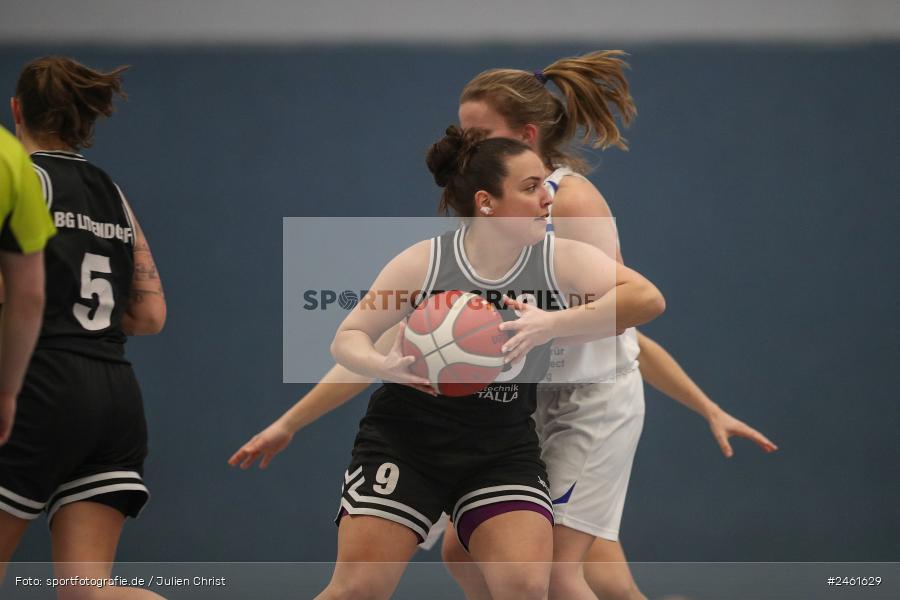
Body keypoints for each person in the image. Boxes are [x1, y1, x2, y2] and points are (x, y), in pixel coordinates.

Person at [231, 50, 776, 600]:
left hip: (584, 402)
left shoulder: (560, 206)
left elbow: (624, 318)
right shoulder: (454, 245)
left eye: (480, 133)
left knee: (557, 577)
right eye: (462, 132)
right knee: (483, 556)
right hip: (516, 405)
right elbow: (389, 342)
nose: (466, 144)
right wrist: (292, 421)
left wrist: (552, 326)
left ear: (526, 134)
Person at [310, 125, 665, 600]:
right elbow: (347, 338)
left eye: (546, 184)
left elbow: (647, 298)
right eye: (531, 187)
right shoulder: (426, 262)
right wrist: (384, 366)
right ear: (486, 203)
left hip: (501, 447)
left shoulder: (556, 258)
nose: (547, 198)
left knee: (525, 586)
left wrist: (552, 324)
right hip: (407, 442)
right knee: (358, 590)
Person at [0, 56, 167, 599]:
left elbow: (16, 293)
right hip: (113, 395)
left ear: (16, 110)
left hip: (38, 383)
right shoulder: (111, 192)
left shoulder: (19, 179)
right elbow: (150, 315)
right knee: (89, 593)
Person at [0, 125, 56, 447]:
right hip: (108, 386)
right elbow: (28, 295)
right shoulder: (10, 156)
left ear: (17, 108)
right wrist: (7, 391)